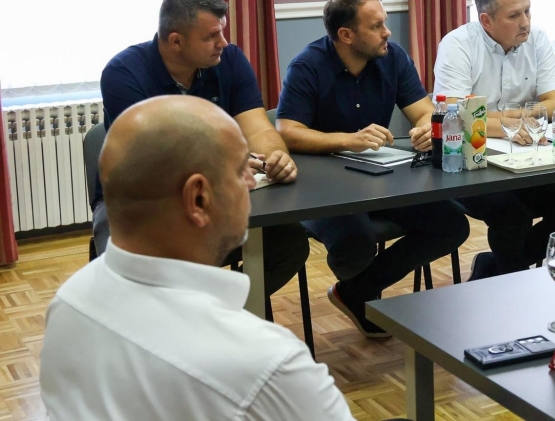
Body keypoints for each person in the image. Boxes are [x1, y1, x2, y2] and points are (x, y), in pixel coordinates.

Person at [40, 96, 355, 420]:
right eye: (241, 169)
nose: (251, 181)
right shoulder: (269, 363)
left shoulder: (67, 303)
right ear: (198, 198)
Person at [276, 0, 470, 338]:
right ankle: (361, 293)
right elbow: (287, 131)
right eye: (376, 26)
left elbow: (423, 111)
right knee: (356, 242)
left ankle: (357, 291)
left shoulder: (392, 57)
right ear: (346, 35)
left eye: (385, 22)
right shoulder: (307, 66)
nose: (387, 32)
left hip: (381, 177)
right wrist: (347, 140)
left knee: (452, 224)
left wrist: (426, 128)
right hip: (322, 189)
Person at [97, 0, 308, 298]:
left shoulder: (230, 61)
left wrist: (277, 156)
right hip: (138, 200)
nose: (223, 43)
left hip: (212, 196)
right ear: (176, 41)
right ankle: (192, 318)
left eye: (222, 32)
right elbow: (151, 159)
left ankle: (214, 315)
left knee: (289, 243)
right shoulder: (123, 73)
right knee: (137, 274)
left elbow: (258, 128)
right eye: (211, 36)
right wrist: (226, 162)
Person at [434, 0, 555, 278]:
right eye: (514, 15)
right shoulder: (457, 44)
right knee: (512, 215)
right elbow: (457, 116)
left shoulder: (537, 39)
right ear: (486, 20)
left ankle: (492, 270)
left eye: (527, 11)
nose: (525, 22)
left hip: (527, 155)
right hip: (470, 159)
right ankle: (514, 288)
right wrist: (512, 121)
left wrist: (497, 118)